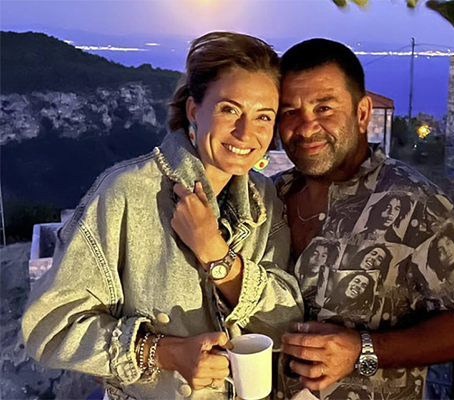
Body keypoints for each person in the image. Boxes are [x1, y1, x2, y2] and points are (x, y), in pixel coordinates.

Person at [21, 32, 303, 400]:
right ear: (193, 111)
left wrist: (216, 254)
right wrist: (165, 352)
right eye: (229, 110)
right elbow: (49, 328)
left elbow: (284, 322)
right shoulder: (127, 192)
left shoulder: (264, 199)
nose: (245, 132)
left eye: (263, 116)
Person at [274, 38, 454, 399]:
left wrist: (363, 350)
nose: (305, 127)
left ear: (362, 113)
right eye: (289, 112)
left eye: (324, 108)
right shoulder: (269, 196)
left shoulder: (415, 203)